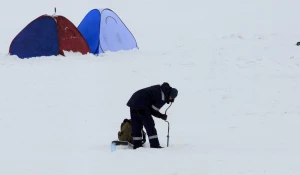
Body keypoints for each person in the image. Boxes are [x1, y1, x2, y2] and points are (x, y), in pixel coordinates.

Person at [126, 82, 178, 149]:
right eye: (171, 97)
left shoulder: (160, 89)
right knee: (149, 125)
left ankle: (137, 145)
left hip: (133, 101)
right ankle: (155, 145)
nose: (171, 99)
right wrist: (162, 116)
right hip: (142, 103)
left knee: (137, 125)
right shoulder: (163, 97)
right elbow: (153, 110)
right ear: (170, 94)